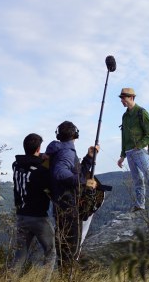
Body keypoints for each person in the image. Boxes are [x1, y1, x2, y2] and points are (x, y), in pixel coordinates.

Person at [45, 121, 97, 271]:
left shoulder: (60, 150)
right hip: (68, 207)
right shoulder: (67, 152)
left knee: (64, 250)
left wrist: (88, 158)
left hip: (61, 206)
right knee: (70, 251)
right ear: (76, 134)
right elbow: (60, 173)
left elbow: (75, 172)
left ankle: (64, 274)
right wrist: (84, 182)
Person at [11, 133, 56, 282]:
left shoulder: (16, 165)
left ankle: (11, 279)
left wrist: (40, 157)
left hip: (21, 216)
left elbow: (29, 161)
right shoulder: (40, 170)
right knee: (50, 252)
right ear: (38, 148)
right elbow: (49, 183)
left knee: (19, 256)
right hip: (38, 217)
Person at [116, 88, 149, 212]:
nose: (122, 101)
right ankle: (140, 204)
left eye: (123, 98)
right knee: (137, 180)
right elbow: (124, 137)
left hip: (140, 151)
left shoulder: (141, 112)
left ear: (131, 98)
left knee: (148, 174)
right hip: (129, 152)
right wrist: (122, 156)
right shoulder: (124, 116)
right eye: (121, 98)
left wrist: (140, 144)